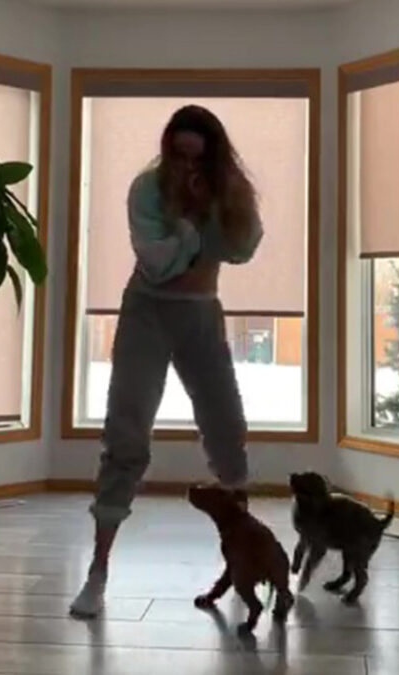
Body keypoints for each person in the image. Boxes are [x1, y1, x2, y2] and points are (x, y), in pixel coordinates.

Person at [69, 105, 264, 618]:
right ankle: (97, 571)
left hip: (201, 313)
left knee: (227, 427)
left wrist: (214, 208)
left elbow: (242, 248)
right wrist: (189, 228)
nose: (186, 167)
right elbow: (156, 263)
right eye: (178, 155)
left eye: (197, 158)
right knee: (126, 434)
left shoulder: (228, 190)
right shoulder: (146, 189)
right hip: (147, 312)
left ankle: (243, 558)